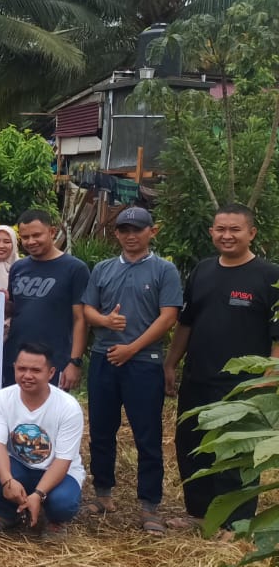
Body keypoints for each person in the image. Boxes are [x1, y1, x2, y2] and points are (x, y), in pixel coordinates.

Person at [165, 203, 279, 530]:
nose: (227, 235)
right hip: (198, 377)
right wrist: (171, 363)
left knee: (236, 452)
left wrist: (269, 378)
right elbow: (186, 324)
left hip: (243, 385)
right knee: (193, 446)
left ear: (251, 233)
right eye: (221, 229)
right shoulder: (202, 270)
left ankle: (236, 524)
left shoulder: (269, 276)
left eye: (235, 229)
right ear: (211, 232)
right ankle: (200, 514)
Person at [81, 206, 182, 534]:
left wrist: (132, 348)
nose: (130, 235)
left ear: (152, 231)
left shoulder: (164, 270)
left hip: (143, 362)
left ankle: (149, 505)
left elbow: (168, 316)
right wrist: (104, 321)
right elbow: (87, 309)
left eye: (137, 229)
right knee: (101, 430)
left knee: (147, 434)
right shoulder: (103, 269)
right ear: (116, 233)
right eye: (124, 230)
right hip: (104, 358)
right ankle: (103, 494)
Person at [0, 342, 85, 538]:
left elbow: (63, 460)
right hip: (21, 466)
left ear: (51, 373)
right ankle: (7, 514)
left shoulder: (68, 407)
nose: (27, 375)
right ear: (14, 368)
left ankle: (55, 521)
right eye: (22, 369)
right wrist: (8, 481)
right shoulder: (1, 399)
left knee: (63, 503)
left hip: (59, 472)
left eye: (36, 370)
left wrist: (38, 494)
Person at [4, 209, 89, 389]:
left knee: (50, 407)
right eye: (25, 237)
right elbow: (15, 310)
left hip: (54, 360)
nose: (30, 241)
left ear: (52, 231)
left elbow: (80, 319)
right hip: (16, 359)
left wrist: (75, 362)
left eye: (36, 235)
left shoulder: (75, 269)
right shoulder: (18, 268)